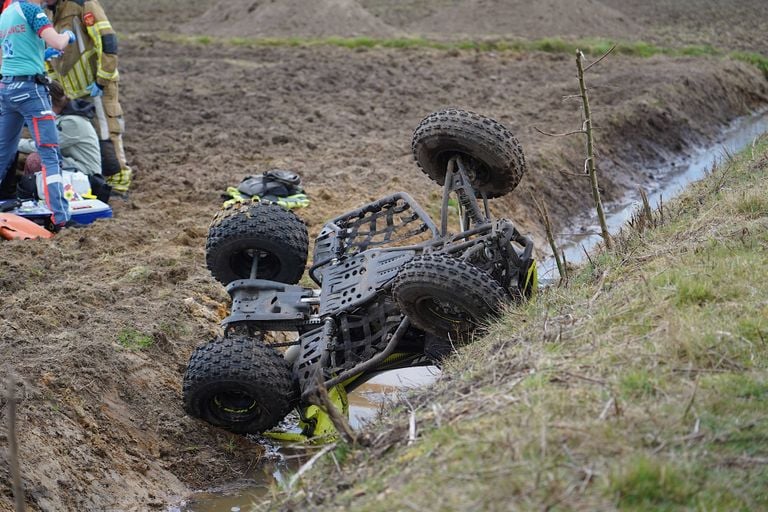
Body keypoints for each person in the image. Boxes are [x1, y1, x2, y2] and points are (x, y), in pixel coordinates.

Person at [0, 0, 78, 230]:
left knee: (3, 152)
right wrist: (66, 36)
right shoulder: (34, 11)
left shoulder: (6, 13)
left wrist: (42, 52)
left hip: (7, 89)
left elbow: (17, 49)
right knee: (50, 154)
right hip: (31, 91)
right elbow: (57, 40)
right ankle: (60, 218)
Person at [44, 0, 131, 197]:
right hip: (70, 90)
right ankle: (95, 181)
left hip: (95, 84)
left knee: (106, 132)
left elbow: (106, 39)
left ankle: (119, 184)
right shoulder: (49, 12)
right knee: (83, 137)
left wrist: (102, 79)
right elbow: (51, 54)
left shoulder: (83, 5)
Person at [19, 79, 101, 177]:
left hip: (86, 173)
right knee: (21, 158)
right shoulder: (62, 116)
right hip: (71, 163)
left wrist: (14, 143)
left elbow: (45, 145)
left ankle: (37, 190)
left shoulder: (72, 122)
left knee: (36, 159)